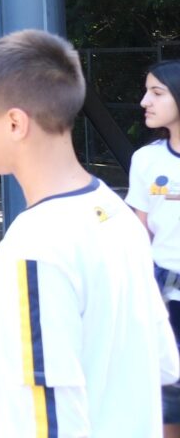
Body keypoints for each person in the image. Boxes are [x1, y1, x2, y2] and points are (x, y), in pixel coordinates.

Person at [0, 29, 178, 436]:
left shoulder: (35, 242)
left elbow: (49, 417)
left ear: (15, 122)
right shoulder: (116, 212)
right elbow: (161, 360)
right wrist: (12, 355)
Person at [131, 60, 180, 437]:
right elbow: (138, 235)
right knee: (167, 404)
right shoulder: (147, 159)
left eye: (157, 93)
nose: (144, 101)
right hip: (165, 299)